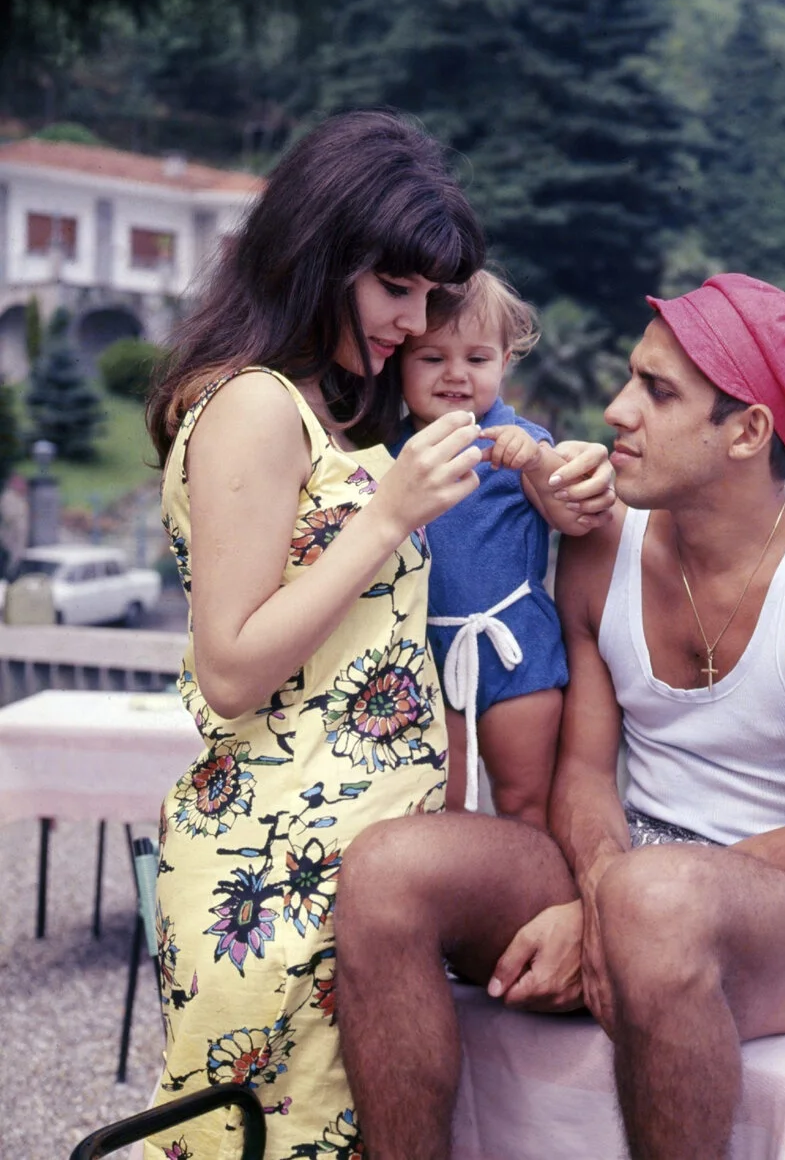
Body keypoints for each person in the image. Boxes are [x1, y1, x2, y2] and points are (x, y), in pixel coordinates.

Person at [335, 273, 785, 1160]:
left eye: (657, 391)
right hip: (619, 861)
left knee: (659, 898)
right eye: (629, 378)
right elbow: (581, 775)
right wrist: (607, 894)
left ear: (747, 432)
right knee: (388, 868)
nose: (616, 409)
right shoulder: (603, 541)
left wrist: (614, 910)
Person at [141, 109, 612, 1159]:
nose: (413, 319)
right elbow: (229, 668)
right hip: (284, 872)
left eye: (430, 295)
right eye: (396, 288)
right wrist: (388, 515)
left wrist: (556, 475)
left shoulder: (333, 405)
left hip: (346, 861)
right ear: (320, 255)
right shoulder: (255, 405)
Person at [393, 269, 609, 823]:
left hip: (518, 649)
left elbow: (574, 518)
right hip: (427, 656)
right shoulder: (391, 455)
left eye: (477, 358)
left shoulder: (523, 442)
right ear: (399, 361)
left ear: (505, 361)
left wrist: (536, 461)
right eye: (432, 358)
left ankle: (536, 881)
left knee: (525, 801)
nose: (455, 374)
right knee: (446, 806)